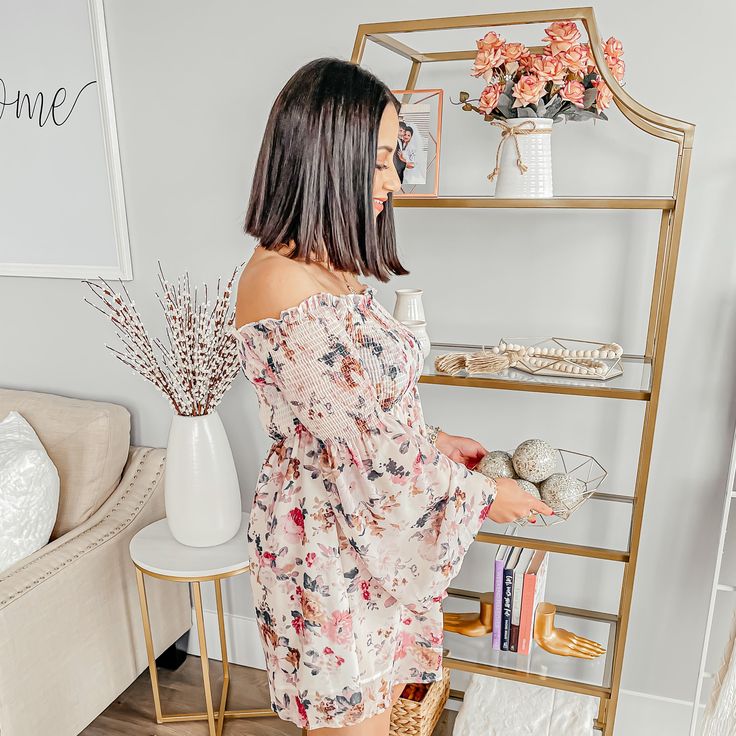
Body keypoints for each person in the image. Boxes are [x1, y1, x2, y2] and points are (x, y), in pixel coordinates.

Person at [232, 57, 553, 736]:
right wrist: (489, 495)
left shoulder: (329, 265)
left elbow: (358, 413)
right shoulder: (281, 283)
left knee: (379, 717)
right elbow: (369, 453)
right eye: (379, 160)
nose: (392, 180)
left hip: (359, 529)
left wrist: (434, 441)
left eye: (394, 158)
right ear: (327, 155)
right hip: (327, 543)